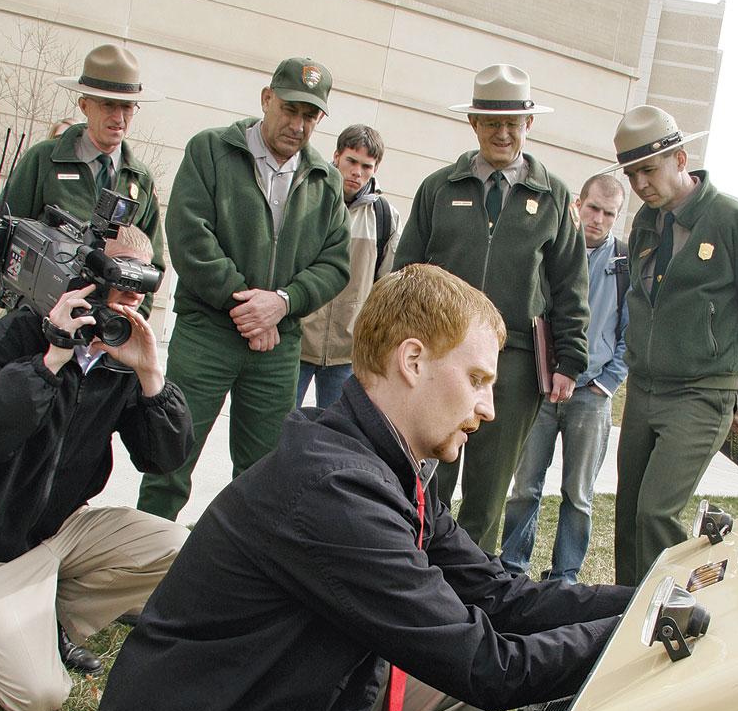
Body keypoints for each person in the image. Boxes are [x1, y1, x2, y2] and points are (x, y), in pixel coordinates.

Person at [87, 264, 633, 711]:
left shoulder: (382, 464)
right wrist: (649, 634)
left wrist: (648, 599)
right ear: (413, 361)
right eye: (476, 379)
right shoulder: (332, 487)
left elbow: (500, 598)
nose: (489, 407)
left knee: (443, 694)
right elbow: (489, 665)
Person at [0, 226, 192, 711]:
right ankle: (15, 623)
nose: (129, 308)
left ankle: (41, 619)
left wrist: (150, 377)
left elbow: (164, 458)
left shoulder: (116, 358)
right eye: (120, 289)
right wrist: (52, 357)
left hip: (57, 536)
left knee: (177, 547)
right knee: (40, 694)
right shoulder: (19, 332)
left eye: (139, 296)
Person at [136, 57, 351, 521]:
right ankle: (140, 573)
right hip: (207, 332)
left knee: (263, 476)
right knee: (171, 457)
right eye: (289, 109)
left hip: (277, 346)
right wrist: (249, 309)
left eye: (310, 116)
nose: (297, 124)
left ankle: (236, 581)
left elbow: (335, 263)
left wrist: (282, 303)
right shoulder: (210, 151)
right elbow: (191, 237)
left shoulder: (326, 180)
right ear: (266, 98)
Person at [394, 65, 590, 552]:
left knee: (488, 491)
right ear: (473, 124)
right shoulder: (439, 188)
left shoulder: (554, 197)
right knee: (426, 478)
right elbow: (406, 273)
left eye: (513, 123)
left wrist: (570, 360)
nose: (502, 133)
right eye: (490, 122)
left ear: (529, 125)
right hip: (441, 357)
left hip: (515, 365)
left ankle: (466, 592)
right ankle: (413, 570)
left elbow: (570, 284)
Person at [606, 106, 738, 585]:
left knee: (655, 515)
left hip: (702, 394)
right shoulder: (646, 222)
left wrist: (737, 396)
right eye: (632, 173)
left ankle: (676, 610)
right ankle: (625, 615)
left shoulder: (736, 223)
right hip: (644, 389)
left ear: (680, 159)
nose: (641, 183)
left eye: (649, 169)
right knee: (629, 515)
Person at [501, 173, 629, 583]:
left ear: (617, 217)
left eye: (609, 213)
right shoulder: (554, 250)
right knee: (525, 486)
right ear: (578, 204)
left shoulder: (626, 265)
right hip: (543, 389)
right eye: (593, 208)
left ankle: (565, 576)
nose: (599, 219)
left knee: (578, 494)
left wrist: (605, 383)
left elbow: (633, 336)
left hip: (591, 396)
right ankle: (512, 567)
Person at [3, 44, 164, 316]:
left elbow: (153, 265)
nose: (119, 118)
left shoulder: (140, 180)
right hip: (37, 317)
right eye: (108, 105)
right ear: (84, 105)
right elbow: (5, 236)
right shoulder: (44, 160)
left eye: (127, 107)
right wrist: (12, 303)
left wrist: (129, 321)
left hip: (103, 329)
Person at [296, 123, 401, 407]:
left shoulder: (385, 217)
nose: (357, 172)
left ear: (375, 168)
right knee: (277, 433)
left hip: (348, 353)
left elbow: (387, 290)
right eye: (351, 161)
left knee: (335, 439)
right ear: (337, 156)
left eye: (366, 166)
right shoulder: (305, 198)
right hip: (296, 343)